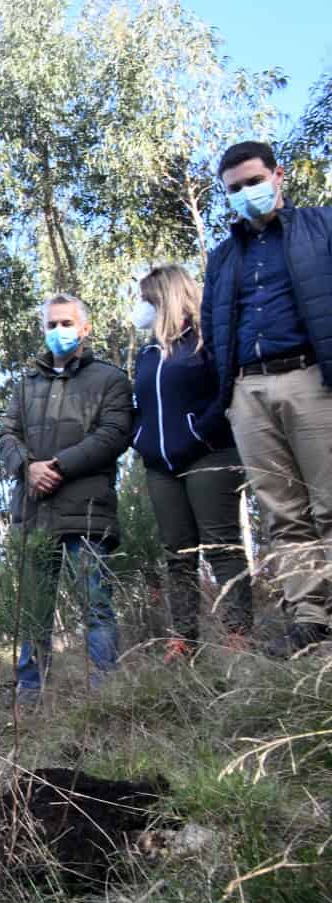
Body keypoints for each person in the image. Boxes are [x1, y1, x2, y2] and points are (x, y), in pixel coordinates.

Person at [200, 140, 332, 658]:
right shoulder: (223, 257)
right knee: (283, 512)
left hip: (311, 378)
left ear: (279, 176)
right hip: (248, 391)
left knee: (328, 501)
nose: (245, 193)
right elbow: (214, 325)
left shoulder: (321, 227)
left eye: (254, 181)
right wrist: (229, 392)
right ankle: (311, 619)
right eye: (234, 189)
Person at [0, 295, 133, 700]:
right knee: (33, 611)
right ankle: (30, 694)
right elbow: (6, 435)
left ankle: (104, 693)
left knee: (96, 604)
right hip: (34, 513)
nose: (59, 331)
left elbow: (113, 435)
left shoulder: (110, 379)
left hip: (87, 514)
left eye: (66, 323)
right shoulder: (26, 385)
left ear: (84, 329)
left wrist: (58, 466)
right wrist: (28, 467)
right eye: (52, 324)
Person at [130, 265, 251, 660]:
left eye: (146, 300)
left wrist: (198, 433)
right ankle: (184, 640)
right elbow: (140, 407)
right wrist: (140, 439)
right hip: (161, 467)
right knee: (177, 554)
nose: (141, 308)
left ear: (164, 298)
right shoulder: (147, 353)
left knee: (221, 545)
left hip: (208, 454)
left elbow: (225, 393)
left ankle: (238, 635)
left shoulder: (205, 341)